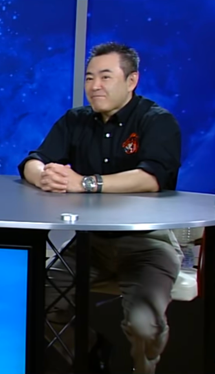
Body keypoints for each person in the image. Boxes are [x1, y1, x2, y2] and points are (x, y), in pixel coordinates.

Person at [19, 42, 182, 374]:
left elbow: (151, 177)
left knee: (143, 326)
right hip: (90, 245)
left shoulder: (156, 121)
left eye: (105, 77)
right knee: (32, 304)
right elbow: (32, 161)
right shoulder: (76, 120)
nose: (95, 86)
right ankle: (92, 353)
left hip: (147, 244)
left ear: (132, 80)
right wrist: (47, 177)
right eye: (90, 77)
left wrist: (85, 182)